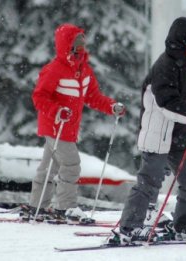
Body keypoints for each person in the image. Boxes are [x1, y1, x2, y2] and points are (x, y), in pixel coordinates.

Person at [110, 17, 186, 245]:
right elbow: (166, 102)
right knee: (149, 182)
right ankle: (130, 228)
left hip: (177, 135)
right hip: (158, 135)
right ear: (181, 42)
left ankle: (185, 224)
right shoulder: (164, 66)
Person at [21, 23, 125, 222]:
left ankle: (37, 206)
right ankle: (66, 208)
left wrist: (111, 107)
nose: (81, 46)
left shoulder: (84, 70)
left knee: (49, 167)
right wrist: (57, 110)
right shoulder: (54, 69)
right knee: (71, 164)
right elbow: (39, 97)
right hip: (54, 126)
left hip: (68, 128)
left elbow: (93, 96)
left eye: (82, 42)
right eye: (76, 42)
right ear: (65, 44)